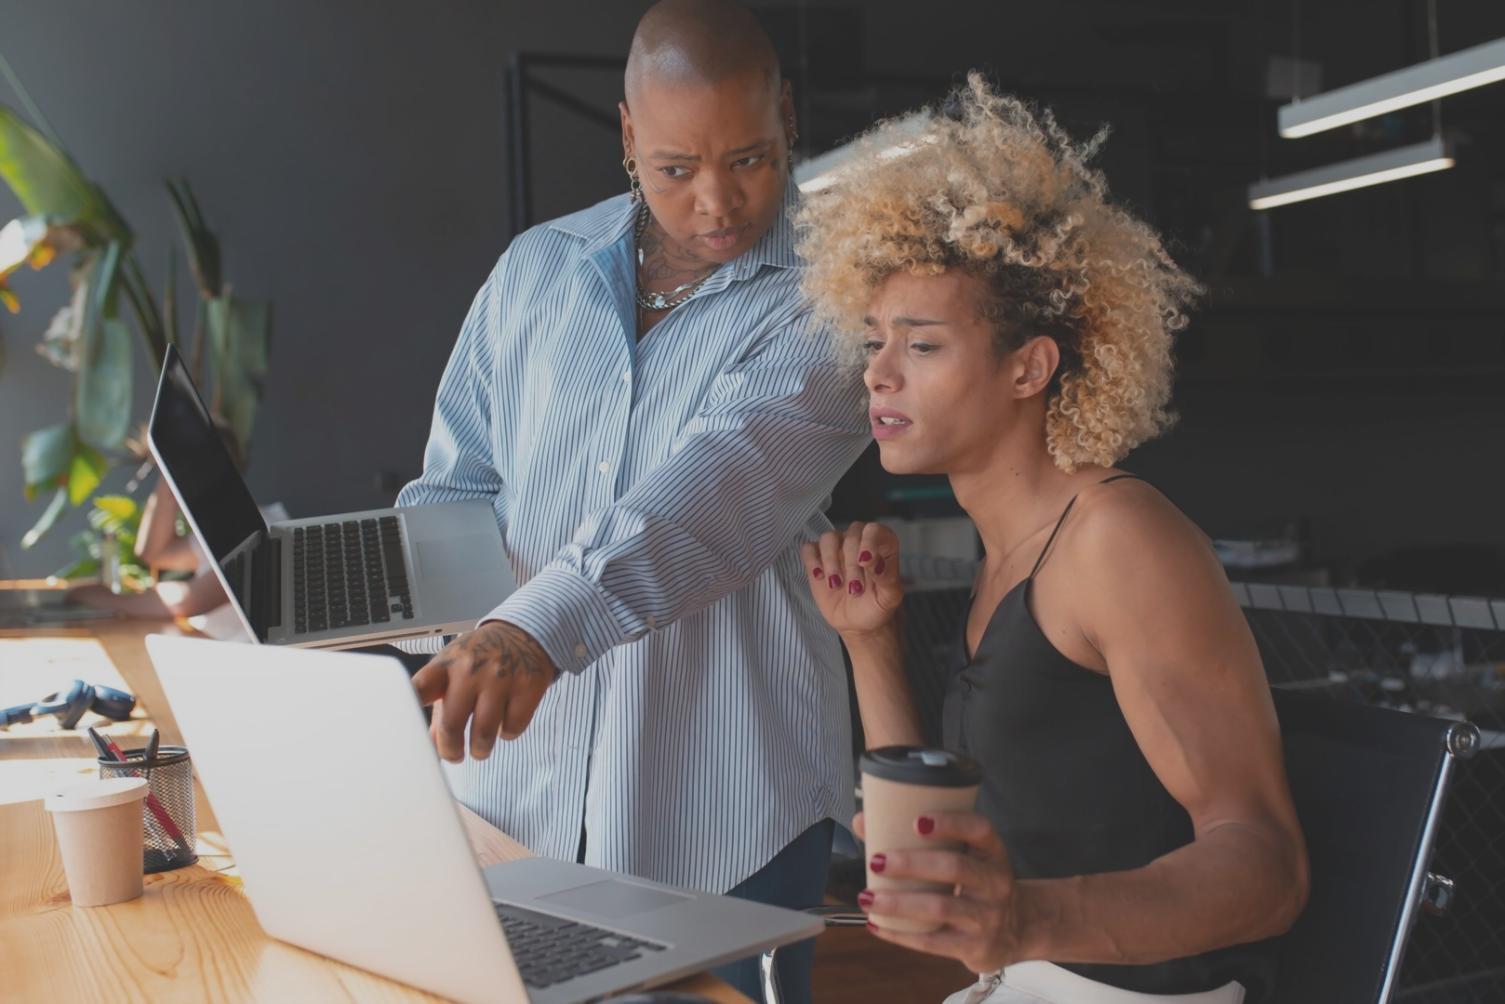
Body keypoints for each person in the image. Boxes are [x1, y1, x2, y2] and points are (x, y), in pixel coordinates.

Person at [793, 76, 1309, 1004]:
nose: (876, 371)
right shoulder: (1013, 554)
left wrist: (1027, 921)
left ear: (1028, 367)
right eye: (874, 340)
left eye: (921, 345)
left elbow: (1267, 870)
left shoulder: (1116, 538)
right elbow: (928, 869)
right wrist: (868, 644)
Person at [395, 2, 869, 999]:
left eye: (747, 158)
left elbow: (709, 492)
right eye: (673, 167)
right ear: (624, 135)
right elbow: (455, 484)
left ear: (786, 115)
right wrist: (386, 613)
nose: (713, 203)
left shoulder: (836, 297)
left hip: (724, 799)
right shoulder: (534, 271)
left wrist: (533, 629)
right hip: (511, 789)